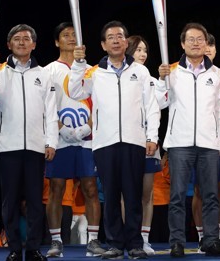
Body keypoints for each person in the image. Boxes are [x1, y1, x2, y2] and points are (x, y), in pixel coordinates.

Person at [69, 20, 160, 260]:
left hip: (134, 140)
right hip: (105, 143)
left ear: (126, 42)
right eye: (111, 37)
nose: (116, 40)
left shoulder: (140, 71)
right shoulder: (94, 72)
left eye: (120, 36)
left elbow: (151, 106)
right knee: (110, 195)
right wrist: (78, 64)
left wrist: (152, 136)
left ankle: (135, 243)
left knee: (133, 194)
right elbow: (75, 92)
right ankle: (115, 243)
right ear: (103, 44)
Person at [0, 24, 58, 261]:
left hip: (35, 146)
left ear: (34, 44)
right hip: (7, 147)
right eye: (17, 38)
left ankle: (33, 248)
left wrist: (51, 141)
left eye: (27, 38)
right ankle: (14, 248)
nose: (22, 42)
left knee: (35, 200)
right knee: (10, 201)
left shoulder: (44, 74)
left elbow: (51, 112)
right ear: (8, 45)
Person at [156, 22, 220, 257]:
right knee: (177, 195)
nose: (196, 43)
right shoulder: (173, 71)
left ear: (206, 43)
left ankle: (210, 240)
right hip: (180, 143)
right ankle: (177, 241)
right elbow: (159, 103)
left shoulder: (217, 74)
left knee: (210, 195)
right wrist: (160, 81)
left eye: (200, 39)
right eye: (191, 39)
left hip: (209, 144)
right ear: (182, 44)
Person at [44, 22, 105, 257]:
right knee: (57, 188)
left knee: (91, 187)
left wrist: (86, 128)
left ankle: (92, 240)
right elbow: (45, 107)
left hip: (87, 139)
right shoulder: (48, 71)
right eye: (65, 35)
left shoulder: (92, 70)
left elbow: (100, 107)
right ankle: (56, 241)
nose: (70, 38)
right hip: (59, 139)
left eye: (74, 35)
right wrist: (61, 129)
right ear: (57, 41)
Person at [191, 34, 220, 253]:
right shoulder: (189, 74)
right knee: (200, 189)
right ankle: (202, 236)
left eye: (211, 44)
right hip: (200, 141)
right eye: (204, 44)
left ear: (216, 49)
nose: (207, 48)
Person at [125, 35, 162, 256]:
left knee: (146, 193)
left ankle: (144, 238)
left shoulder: (150, 77)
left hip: (149, 143)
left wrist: (164, 81)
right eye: (138, 50)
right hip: (127, 142)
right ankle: (127, 236)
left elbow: (163, 102)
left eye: (144, 50)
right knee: (126, 193)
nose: (142, 54)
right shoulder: (116, 75)